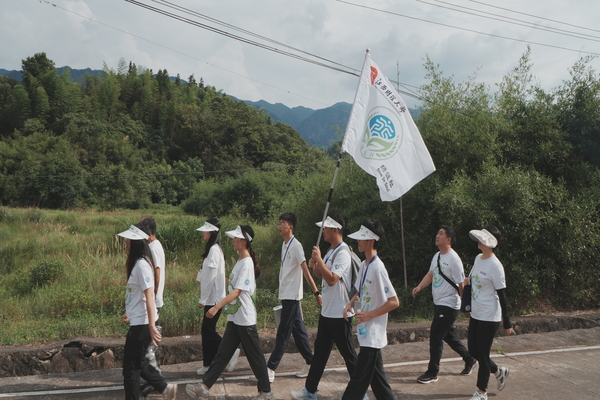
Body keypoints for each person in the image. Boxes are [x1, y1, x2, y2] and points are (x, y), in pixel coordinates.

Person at [186, 225, 274, 400]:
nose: (232, 241)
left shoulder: (247, 263)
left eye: (235, 238)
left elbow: (237, 292)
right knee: (222, 355)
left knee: (255, 357)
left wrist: (217, 306)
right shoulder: (240, 262)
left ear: (244, 241)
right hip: (235, 319)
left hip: (245, 320)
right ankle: (204, 388)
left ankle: (266, 392)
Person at [291, 213, 358, 400]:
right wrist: (315, 265)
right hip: (327, 312)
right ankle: (310, 391)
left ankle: (360, 393)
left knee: (349, 356)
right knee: (320, 354)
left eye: (326, 228)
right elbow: (321, 275)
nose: (323, 231)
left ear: (335, 230)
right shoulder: (330, 251)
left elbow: (332, 280)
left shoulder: (343, 253)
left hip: (340, 313)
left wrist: (319, 260)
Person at [341, 219, 399, 400]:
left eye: (361, 238)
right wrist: (350, 303)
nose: (357, 241)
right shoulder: (365, 265)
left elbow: (394, 301)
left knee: (357, 383)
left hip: (373, 334)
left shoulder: (378, 267)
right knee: (379, 384)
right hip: (366, 333)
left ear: (371, 241)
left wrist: (369, 315)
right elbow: (360, 291)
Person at [119, 224, 177, 400]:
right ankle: (165, 388)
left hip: (142, 325)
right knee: (138, 363)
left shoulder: (143, 264)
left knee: (131, 369)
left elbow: (150, 297)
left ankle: (162, 389)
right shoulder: (138, 263)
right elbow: (137, 296)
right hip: (138, 321)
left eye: (128, 239)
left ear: (136, 241)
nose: (126, 242)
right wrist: (129, 311)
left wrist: (152, 326)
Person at [412, 225, 477, 383]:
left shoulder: (454, 259)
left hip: (449, 304)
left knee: (435, 335)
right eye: (437, 233)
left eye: (441, 234)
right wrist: (420, 286)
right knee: (448, 335)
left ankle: (432, 372)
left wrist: (465, 306)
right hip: (439, 303)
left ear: (449, 239)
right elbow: (431, 273)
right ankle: (470, 359)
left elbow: (461, 284)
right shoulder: (437, 256)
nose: (437, 235)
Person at [267, 212, 321, 382]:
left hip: (292, 295)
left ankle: (271, 367)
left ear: (290, 227)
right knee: (298, 331)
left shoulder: (296, 246)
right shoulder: (285, 244)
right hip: (286, 294)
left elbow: (306, 271)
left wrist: (316, 292)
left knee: (283, 331)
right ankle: (311, 362)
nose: (279, 226)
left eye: (282, 223)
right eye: (279, 223)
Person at [465, 225, 514, 400]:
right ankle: (498, 371)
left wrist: (507, 322)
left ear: (490, 242)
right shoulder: (478, 258)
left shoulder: (496, 266)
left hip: (490, 315)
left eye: (482, 239)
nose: (478, 241)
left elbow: (502, 295)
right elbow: (472, 280)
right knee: (473, 351)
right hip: (477, 313)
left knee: (483, 353)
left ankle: (482, 392)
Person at [195, 219, 240, 376]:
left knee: (208, 331)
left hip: (213, 299)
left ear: (211, 232)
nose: (202, 233)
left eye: (205, 230)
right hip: (212, 298)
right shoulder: (213, 249)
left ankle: (231, 352)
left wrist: (203, 299)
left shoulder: (214, 250)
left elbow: (211, 277)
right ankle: (208, 364)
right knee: (207, 331)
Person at [139, 217, 166, 314]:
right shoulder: (152, 245)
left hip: (153, 299)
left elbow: (157, 273)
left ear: (147, 228)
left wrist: (153, 294)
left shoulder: (154, 247)